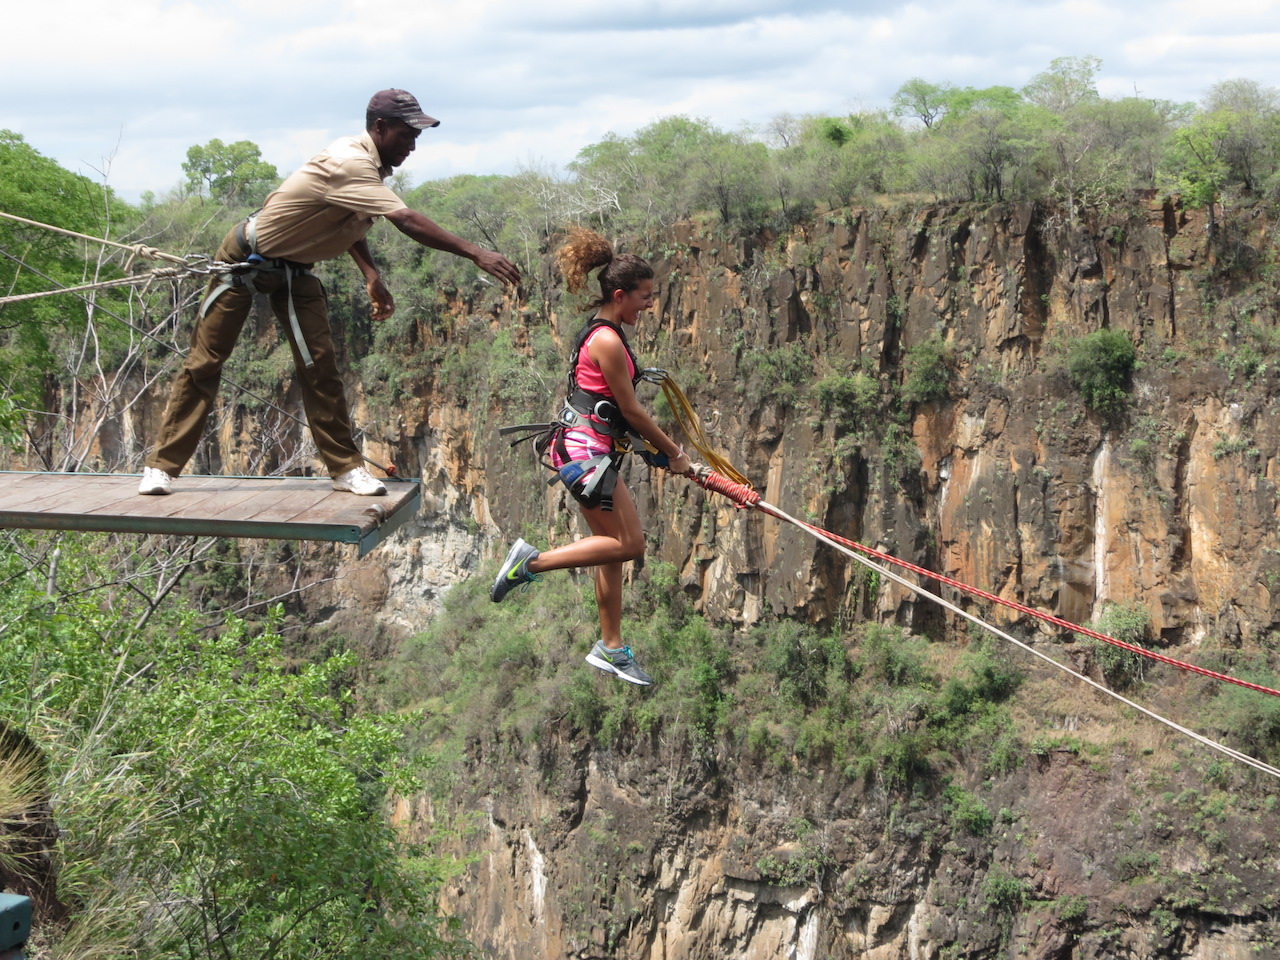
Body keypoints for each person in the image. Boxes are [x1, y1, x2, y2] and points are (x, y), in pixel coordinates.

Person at [139, 89, 520, 496]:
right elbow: (406, 220)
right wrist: (477, 253)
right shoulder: (350, 161)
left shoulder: (370, 170)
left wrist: (371, 274)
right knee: (205, 362)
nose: (412, 145)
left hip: (296, 270)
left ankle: (344, 469)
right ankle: (161, 467)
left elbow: (349, 216)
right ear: (380, 127)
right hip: (244, 259)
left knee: (319, 367)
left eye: (417, 136)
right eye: (407, 135)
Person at [490, 228, 692, 686]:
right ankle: (529, 563)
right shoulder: (607, 341)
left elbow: (609, 409)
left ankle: (612, 647)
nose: (649, 304)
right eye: (645, 296)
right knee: (631, 545)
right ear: (620, 295)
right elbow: (631, 411)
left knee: (610, 552)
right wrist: (674, 453)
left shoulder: (605, 332)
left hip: (586, 449)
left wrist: (654, 452)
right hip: (586, 454)